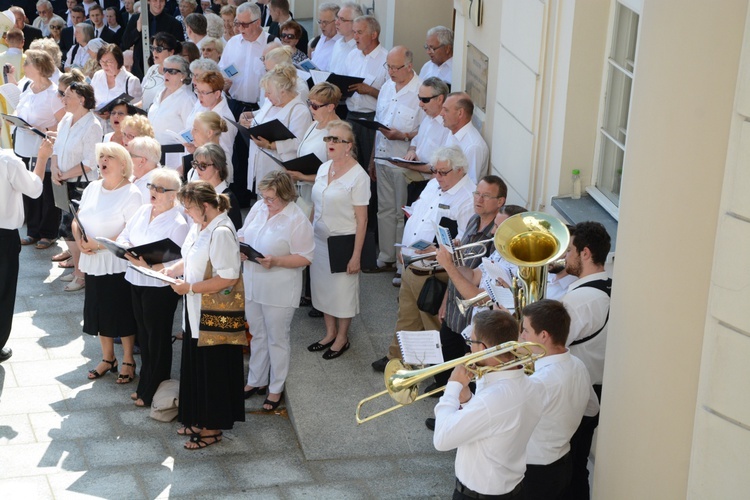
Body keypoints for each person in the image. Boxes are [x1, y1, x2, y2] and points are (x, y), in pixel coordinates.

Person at [369, 146, 476, 370]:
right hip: (411, 265)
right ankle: (397, 358)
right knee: (406, 317)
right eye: (435, 171)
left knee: (432, 324)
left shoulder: (467, 199)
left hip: (434, 271)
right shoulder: (433, 185)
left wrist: (436, 250)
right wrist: (406, 247)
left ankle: (436, 372)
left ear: (460, 170)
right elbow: (416, 212)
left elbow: (465, 244)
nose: (437, 176)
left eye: (443, 172)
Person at [165, 181, 244, 450]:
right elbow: (191, 257)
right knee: (196, 367)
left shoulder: (220, 231)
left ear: (206, 206)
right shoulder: (200, 225)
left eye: (189, 207)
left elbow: (229, 277)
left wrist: (190, 287)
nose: (186, 212)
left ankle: (212, 428)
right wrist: (173, 270)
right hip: (193, 311)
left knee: (213, 371)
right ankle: (198, 417)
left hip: (211, 314)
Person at [433, 309, 544, 500]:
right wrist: (468, 400)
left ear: (483, 347)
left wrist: (453, 386)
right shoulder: (533, 384)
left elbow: (441, 440)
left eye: (471, 342)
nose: (469, 349)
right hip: (511, 490)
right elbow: (494, 424)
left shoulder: (492, 399)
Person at [239, 170, 313, 409]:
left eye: (272, 199)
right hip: (252, 283)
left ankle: (275, 387)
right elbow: (243, 233)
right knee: (257, 334)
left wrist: (277, 261)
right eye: (264, 197)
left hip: (279, 289)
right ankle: (256, 379)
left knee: (277, 339)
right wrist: (240, 248)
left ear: (286, 196)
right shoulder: (259, 208)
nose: (267, 203)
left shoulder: (296, 218)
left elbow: (306, 257)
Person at [119, 168, 188, 407]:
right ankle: (145, 384)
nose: (153, 192)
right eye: (151, 186)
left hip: (159, 286)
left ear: (173, 195)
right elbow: (124, 235)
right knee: (144, 335)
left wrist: (147, 261)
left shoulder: (179, 222)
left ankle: (154, 389)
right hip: (136, 278)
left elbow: (177, 261)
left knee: (157, 337)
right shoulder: (142, 210)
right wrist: (128, 250)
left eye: (160, 189)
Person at [74, 142, 142, 383]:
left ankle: (127, 359)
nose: (102, 160)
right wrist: (80, 240)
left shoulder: (132, 193)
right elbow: (78, 218)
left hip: (116, 262)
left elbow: (130, 232)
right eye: (100, 156)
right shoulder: (93, 187)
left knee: (121, 312)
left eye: (109, 157)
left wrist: (98, 244)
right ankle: (107, 358)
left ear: (122, 163)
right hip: (92, 260)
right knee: (99, 310)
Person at [519, 299, 595, 500]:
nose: (520, 337)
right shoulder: (578, 364)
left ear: (543, 335)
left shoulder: (540, 382)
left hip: (535, 471)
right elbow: (592, 409)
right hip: (562, 462)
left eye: (525, 331)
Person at [307, 120, 370, 359]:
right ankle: (329, 332)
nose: (331, 143)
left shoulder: (359, 177)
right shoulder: (324, 168)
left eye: (337, 140)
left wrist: (356, 256)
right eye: (329, 138)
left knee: (342, 292)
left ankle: (342, 338)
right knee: (322, 289)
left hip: (343, 242)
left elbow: (362, 220)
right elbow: (316, 203)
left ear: (348, 146)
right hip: (320, 240)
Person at [559, 221, 612, 500]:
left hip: (579, 393)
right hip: (595, 388)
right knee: (577, 465)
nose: (565, 257)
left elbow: (548, 347)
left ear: (586, 254)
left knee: (568, 469)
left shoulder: (580, 300)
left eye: (569, 251)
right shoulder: (609, 287)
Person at [35, 79, 103, 292]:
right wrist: (54, 168)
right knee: (65, 229)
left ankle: (81, 275)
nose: (63, 99)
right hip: (62, 180)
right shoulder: (66, 119)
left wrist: (64, 174)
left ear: (81, 99)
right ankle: (77, 270)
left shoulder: (92, 124)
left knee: (76, 230)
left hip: (81, 183)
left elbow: (91, 162)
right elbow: (57, 147)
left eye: (68, 97)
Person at [367, 45, 424, 274]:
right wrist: (372, 159)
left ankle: (402, 262)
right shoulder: (387, 87)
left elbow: (426, 131)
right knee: (384, 210)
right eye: (388, 66)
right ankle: (386, 255)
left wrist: (404, 136)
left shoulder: (420, 91)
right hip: (382, 157)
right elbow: (378, 124)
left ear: (409, 66)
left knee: (402, 212)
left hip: (403, 164)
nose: (390, 71)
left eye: (395, 67)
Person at [14, 50, 66, 250]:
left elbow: (63, 122)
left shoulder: (53, 93)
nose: (24, 65)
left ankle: (48, 233)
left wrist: (44, 130)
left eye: (27, 62)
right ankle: (32, 231)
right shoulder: (27, 85)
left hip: (43, 147)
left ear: (38, 66)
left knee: (46, 193)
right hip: (24, 147)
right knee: (29, 190)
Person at [0, 149, 46, 363]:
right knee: (3, 291)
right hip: (3, 235)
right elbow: (34, 189)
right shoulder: (7, 160)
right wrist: (43, 156)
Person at [239, 62, 311, 193]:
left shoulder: (300, 111)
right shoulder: (271, 101)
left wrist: (270, 145)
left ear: (282, 92)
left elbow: (299, 143)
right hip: (259, 163)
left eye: (269, 92)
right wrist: (249, 117)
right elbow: (262, 116)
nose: (266, 95)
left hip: (279, 167)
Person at [397, 76, 451, 204]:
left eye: (425, 100)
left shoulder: (447, 128)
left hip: (428, 183)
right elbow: (416, 141)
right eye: (419, 98)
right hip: (414, 180)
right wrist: (411, 151)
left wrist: (408, 164)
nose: (420, 104)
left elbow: (439, 167)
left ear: (440, 99)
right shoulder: (427, 118)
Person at [343, 15, 388, 168]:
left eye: (359, 33)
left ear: (374, 35)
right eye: (354, 32)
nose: (355, 37)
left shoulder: (387, 60)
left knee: (369, 168)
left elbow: (391, 99)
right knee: (348, 163)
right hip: (350, 116)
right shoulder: (352, 55)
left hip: (371, 121)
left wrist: (370, 91)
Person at [147, 54, 196, 170]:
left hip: (175, 155)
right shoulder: (160, 92)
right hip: (154, 153)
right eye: (165, 70)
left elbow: (191, 135)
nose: (166, 74)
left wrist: (184, 165)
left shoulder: (187, 99)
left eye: (172, 71)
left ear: (183, 75)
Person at [185, 70, 237, 179]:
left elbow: (223, 154)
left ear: (217, 94)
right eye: (197, 91)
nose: (199, 96)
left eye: (203, 92)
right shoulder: (205, 104)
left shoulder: (224, 117)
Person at [120, 0, 184, 79]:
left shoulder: (174, 24)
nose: (158, 4)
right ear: (149, 1)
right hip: (140, 72)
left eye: (161, 1)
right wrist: (137, 30)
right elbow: (125, 43)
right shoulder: (136, 18)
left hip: (164, 73)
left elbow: (178, 52)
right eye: (155, 0)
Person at [188, 143, 242, 229]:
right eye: (195, 164)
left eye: (202, 165)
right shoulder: (198, 192)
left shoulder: (228, 199)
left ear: (218, 167)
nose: (197, 169)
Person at [441, 92, 489, 184]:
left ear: (460, 113)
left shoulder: (473, 147)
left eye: (446, 110)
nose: (441, 113)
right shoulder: (452, 131)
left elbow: (469, 185)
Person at [89, 43, 143, 110]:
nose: (105, 65)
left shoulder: (131, 81)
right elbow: (90, 100)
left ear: (118, 61)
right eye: (102, 62)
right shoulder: (97, 76)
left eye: (109, 62)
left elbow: (137, 108)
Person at [139, 32, 181, 111]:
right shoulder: (152, 69)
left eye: (159, 49)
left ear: (171, 52)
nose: (154, 52)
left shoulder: (178, 74)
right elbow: (143, 97)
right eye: (152, 48)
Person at [187, 111, 232, 181]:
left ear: (209, 133)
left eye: (195, 129)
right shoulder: (202, 153)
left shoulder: (221, 159)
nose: (191, 133)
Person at [328, 2, 363, 76]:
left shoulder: (360, 50)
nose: (336, 22)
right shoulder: (337, 43)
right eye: (337, 17)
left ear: (355, 23)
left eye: (342, 19)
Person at [128, 136, 162, 203]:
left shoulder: (156, 185)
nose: (126, 158)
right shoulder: (132, 176)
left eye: (130, 155)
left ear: (142, 161)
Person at [309, 2, 340, 71]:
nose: (321, 26)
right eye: (320, 21)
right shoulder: (322, 37)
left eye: (325, 22)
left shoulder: (339, 44)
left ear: (337, 22)